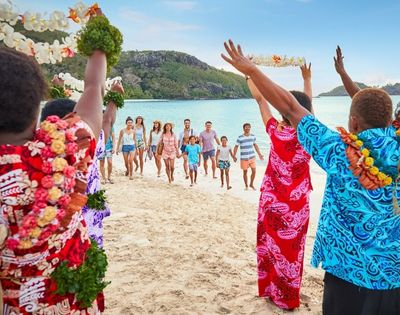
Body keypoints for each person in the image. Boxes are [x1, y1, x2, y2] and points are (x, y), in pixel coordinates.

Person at [222, 40, 400, 314]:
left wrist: (253, 70)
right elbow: (372, 112)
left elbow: (292, 107)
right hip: (392, 274)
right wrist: (342, 77)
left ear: (352, 123)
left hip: (345, 269)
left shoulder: (337, 149)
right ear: (390, 122)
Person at [0, 16, 110, 313]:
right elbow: (93, 89)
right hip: (74, 302)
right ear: (36, 102)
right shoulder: (68, 145)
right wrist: (99, 45)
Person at [246, 63, 313, 309]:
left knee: (271, 249)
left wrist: (250, 74)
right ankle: (287, 298)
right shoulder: (309, 134)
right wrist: (307, 79)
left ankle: (271, 292)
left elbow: (260, 100)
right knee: (291, 253)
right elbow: (305, 107)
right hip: (296, 205)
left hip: (272, 200)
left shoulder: (275, 131)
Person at [233, 123, 264, 190]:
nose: (247, 128)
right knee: (245, 172)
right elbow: (236, 147)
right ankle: (246, 185)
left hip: (252, 157)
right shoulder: (240, 137)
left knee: (254, 171)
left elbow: (255, 145)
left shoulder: (253, 136)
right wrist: (234, 156)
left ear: (250, 128)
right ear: (243, 128)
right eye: (246, 127)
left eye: (248, 127)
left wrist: (259, 154)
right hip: (244, 158)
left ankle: (251, 184)